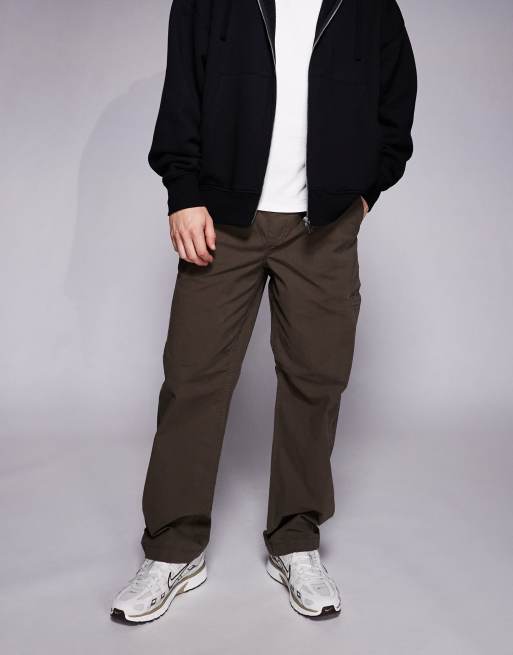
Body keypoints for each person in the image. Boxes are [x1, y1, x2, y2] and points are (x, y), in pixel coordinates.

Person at [111, 0, 417, 622]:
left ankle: (296, 539)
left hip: (323, 227)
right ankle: (173, 549)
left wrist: (362, 193)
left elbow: (396, 104)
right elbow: (182, 92)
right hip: (222, 219)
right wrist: (183, 193)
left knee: (316, 379)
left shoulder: (370, 7)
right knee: (193, 378)